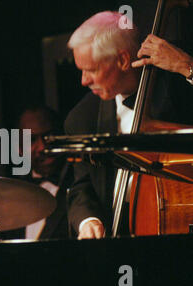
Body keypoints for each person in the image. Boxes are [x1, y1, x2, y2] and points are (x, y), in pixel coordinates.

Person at [63, 11, 193, 240]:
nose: (84, 81)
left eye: (91, 70)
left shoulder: (176, 85)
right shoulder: (81, 118)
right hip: (119, 234)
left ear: (123, 60)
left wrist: (187, 67)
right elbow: (81, 186)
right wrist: (88, 221)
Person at [19, 106, 72, 240]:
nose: (42, 147)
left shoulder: (82, 185)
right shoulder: (10, 193)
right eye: (31, 140)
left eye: (48, 137)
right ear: (19, 148)